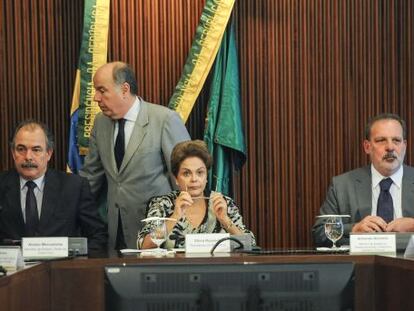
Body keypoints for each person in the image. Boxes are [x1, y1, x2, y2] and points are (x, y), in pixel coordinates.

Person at [80, 61, 190, 250]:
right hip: (115, 235)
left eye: (102, 90)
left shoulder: (165, 120)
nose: (95, 98)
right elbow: (91, 177)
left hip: (158, 237)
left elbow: (186, 180)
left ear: (124, 89)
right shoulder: (100, 123)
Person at [0, 120, 107, 252]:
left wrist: (76, 262)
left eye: (36, 150)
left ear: (48, 153)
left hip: (61, 270)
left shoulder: (74, 187)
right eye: (21, 149)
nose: (28, 157)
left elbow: (98, 235)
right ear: (13, 153)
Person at [313, 113, 414, 247]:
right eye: (381, 140)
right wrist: (354, 229)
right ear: (367, 147)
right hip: (362, 265)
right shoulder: (343, 185)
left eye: (396, 140)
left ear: (404, 146)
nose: (390, 147)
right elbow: (319, 233)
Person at [137, 140, 255, 249]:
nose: (194, 179)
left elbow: (249, 246)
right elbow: (144, 246)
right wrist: (175, 216)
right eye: (187, 173)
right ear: (176, 178)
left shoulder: (224, 203)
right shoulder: (162, 204)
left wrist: (225, 219)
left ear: (206, 177)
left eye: (200, 172)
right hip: (174, 270)